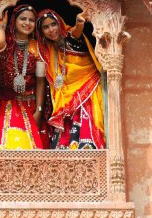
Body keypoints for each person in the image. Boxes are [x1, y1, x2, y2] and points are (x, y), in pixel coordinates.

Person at [36, 9, 105, 150]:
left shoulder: (69, 35)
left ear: (60, 23)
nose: (51, 30)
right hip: (66, 96)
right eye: (46, 27)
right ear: (41, 31)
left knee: (87, 127)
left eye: (53, 24)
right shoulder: (47, 49)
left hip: (88, 88)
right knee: (66, 131)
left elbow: (76, 32)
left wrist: (79, 22)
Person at [0, 4, 48, 150]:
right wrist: (1, 26)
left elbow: (40, 81)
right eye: (23, 19)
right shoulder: (5, 43)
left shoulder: (37, 47)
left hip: (29, 105)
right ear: (14, 21)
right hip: (5, 103)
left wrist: (39, 110)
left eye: (31, 20)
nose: (27, 23)